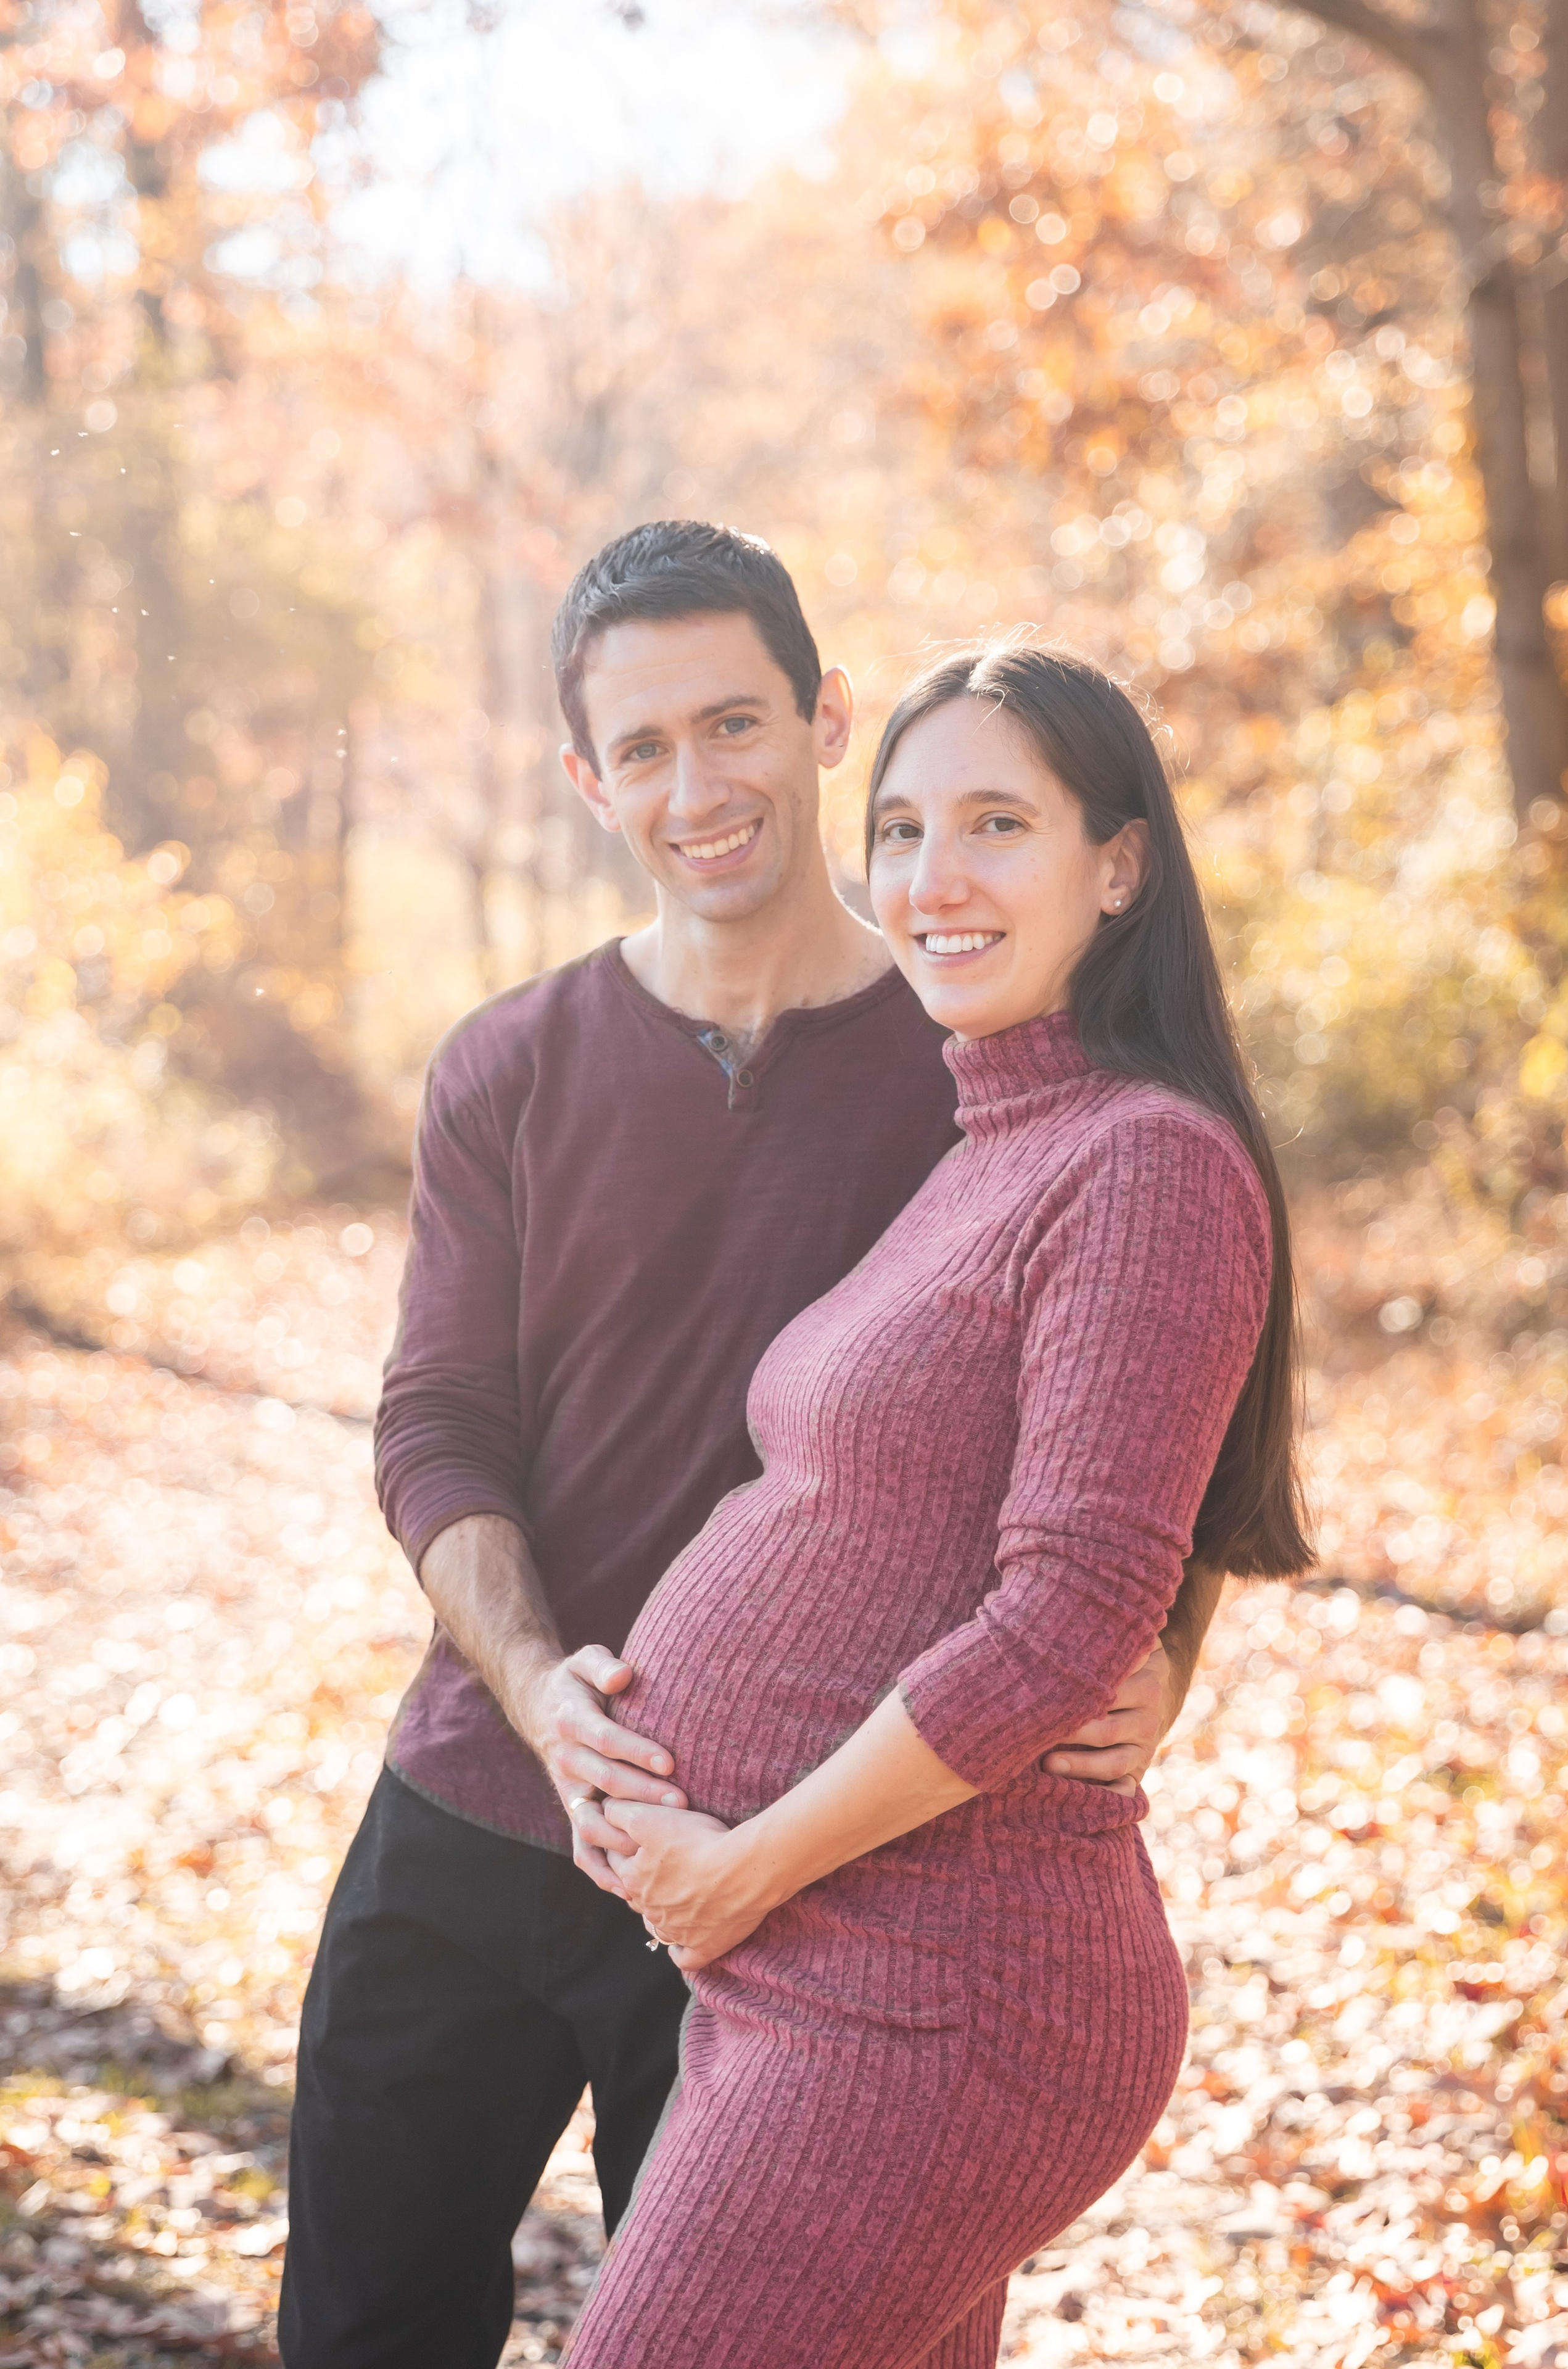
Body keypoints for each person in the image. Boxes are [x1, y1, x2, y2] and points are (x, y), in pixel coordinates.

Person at [278, 530, 1227, 2369]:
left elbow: (1158, 1373)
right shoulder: (509, 1063)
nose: (696, 785)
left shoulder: (979, 1040)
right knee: (361, 2330)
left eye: (734, 724)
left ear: (822, 720)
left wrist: (1170, 1643)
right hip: (481, 1806)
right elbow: (438, 1421)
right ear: (588, 781)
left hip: (803, 1876)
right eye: (643, 748)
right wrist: (540, 1686)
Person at [561, 642, 1312, 2369]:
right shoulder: (998, 1141)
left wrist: (741, 1864)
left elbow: (1068, 1617)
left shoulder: (1145, 1159)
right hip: (822, 1960)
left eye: (996, 824)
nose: (932, 878)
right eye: (900, 830)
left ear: (1119, 866)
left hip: (934, 1991)